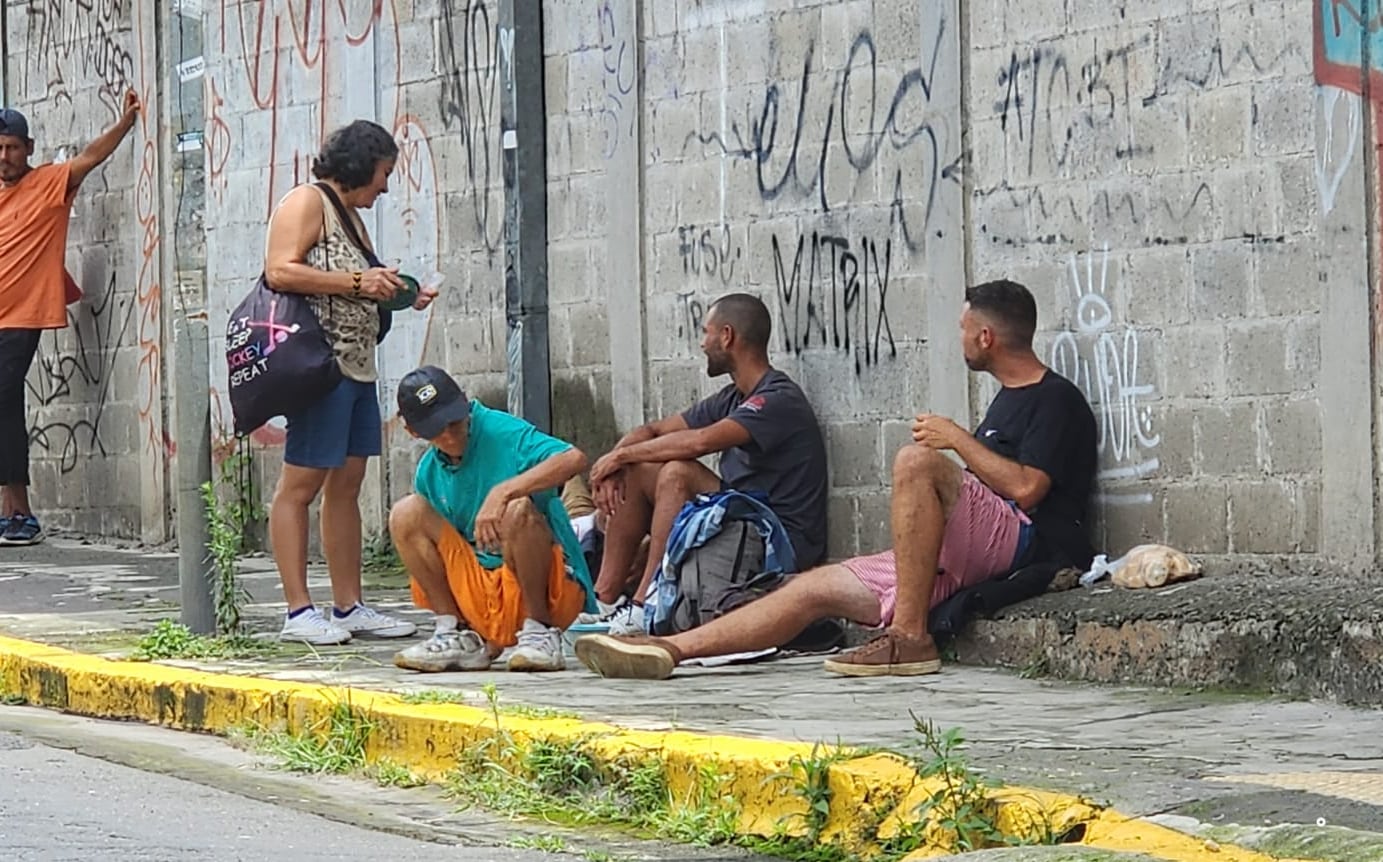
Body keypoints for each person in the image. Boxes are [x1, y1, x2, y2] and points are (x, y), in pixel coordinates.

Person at [575, 279, 1097, 680]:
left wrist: (957, 439)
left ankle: (908, 638)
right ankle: (669, 650)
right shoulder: (1007, 399)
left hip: (1028, 541)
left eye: (963, 330)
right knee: (809, 587)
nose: (959, 339)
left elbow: (1028, 490)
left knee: (916, 460)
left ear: (986, 336)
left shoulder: (1056, 398)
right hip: (965, 555)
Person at [264, 120, 437, 644]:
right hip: (321, 366)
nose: (385, 187)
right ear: (362, 165)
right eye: (383, 173)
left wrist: (400, 291)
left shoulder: (351, 218)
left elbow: (361, 282)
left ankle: (348, 604)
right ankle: (298, 610)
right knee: (300, 485)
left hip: (358, 365)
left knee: (348, 483)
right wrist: (359, 281)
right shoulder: (307, 202)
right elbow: (280, 271)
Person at [587, 293, 829, 635]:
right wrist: (614, 466)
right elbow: (653, 431)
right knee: (639, 469)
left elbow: (700, 442)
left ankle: (645, 605)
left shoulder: (777, 398)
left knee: (676, 472)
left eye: (706, 333)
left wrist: (621, 455)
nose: (702, 344)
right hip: (743, 518)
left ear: (727, 336)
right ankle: (604, 601)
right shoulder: (732, 396)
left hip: (781, 539)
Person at [0, 92, 142, 546]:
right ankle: (10, 513)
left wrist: (125, 122)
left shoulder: (49, 183)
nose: (5, 156)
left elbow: (91, 157)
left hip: (22, 317)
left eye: (12, 147)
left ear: (29, 147)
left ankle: (21, 514)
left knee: (4, 401)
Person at [389, 366, 598, 673]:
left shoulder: (502, 430)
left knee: (518, 509)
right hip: (483, 592)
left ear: (464, 402)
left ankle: (539, 630)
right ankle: (457, 633)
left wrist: (504, 491)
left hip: (548, 585)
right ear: (413, 431)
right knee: (406, 513)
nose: (448, 434)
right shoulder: (428, 472)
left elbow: (573, 459)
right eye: (435, 428)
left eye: (453, 421)